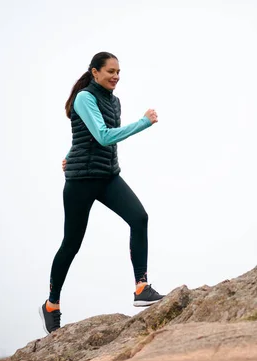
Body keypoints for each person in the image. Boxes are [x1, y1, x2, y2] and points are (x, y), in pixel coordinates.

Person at [39, 51, 165, 334]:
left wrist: (70, 152)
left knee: (139, 218)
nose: (116, 76)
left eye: (118, 72)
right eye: (110, 71)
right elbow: (103, 135)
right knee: (72, 243)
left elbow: (85, 135)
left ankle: (141, 287)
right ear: (95, 72)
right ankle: (51, 304)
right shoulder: (85, 97)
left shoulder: (114, 101)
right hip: (81, 181)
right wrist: (143, 122)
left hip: (108, 175)